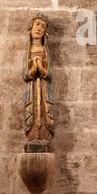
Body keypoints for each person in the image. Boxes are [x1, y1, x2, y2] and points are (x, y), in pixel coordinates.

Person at [22, 13, 55, 153]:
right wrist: (33, 69)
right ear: (31, 28)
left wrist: (41, 68)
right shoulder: (28, 50)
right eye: (37, 25)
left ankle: (44, 137)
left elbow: (50, 73)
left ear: (45, 32)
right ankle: (33, 136)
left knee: (43, 110)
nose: (39, 28)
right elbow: (24, 74)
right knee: (33, 110)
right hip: (32, 88)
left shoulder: (45, 50)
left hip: (44, 87)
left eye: (43, 26)